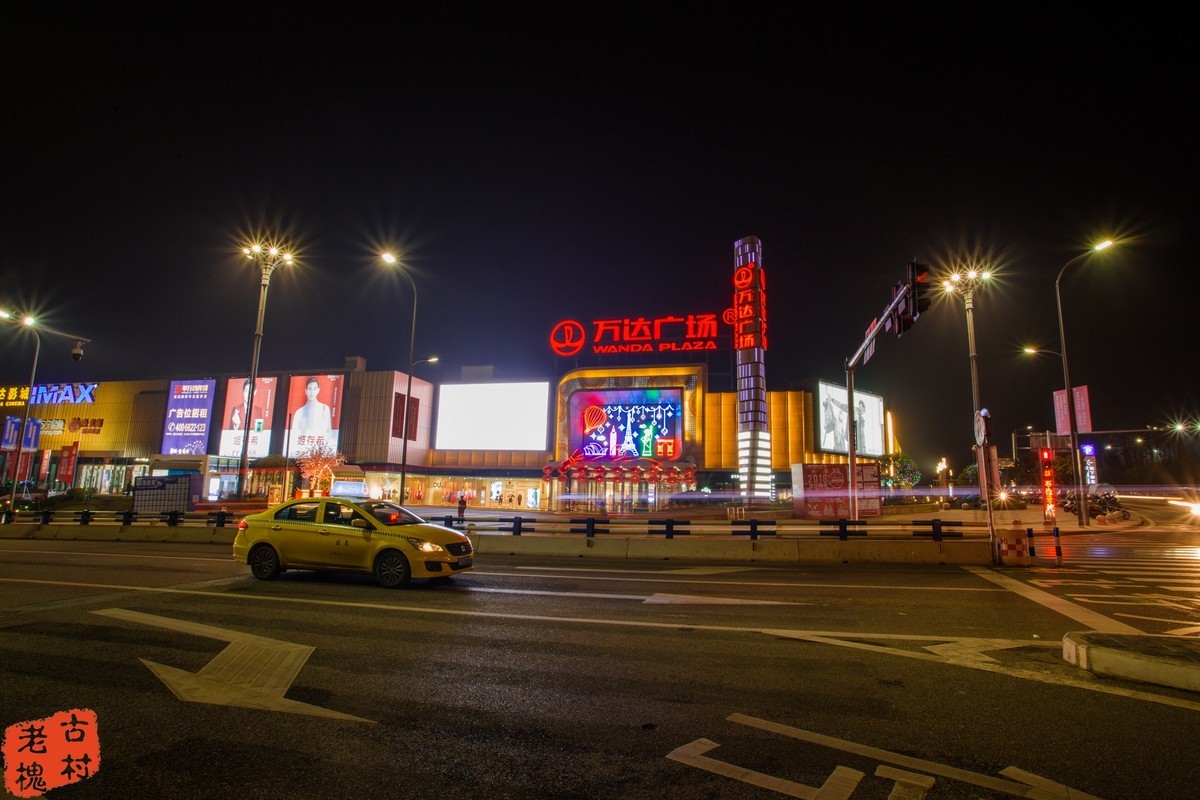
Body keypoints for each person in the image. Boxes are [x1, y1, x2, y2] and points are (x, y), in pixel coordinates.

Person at [292, 376, 332, 444]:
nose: (312, 392)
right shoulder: (299, 412)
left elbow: (328, 432)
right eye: (310, 389)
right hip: (302, 449)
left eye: (314, 389)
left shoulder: (324, 409)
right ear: (306, 391)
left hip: (320, 449)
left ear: (318, 390)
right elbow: (294, 435)